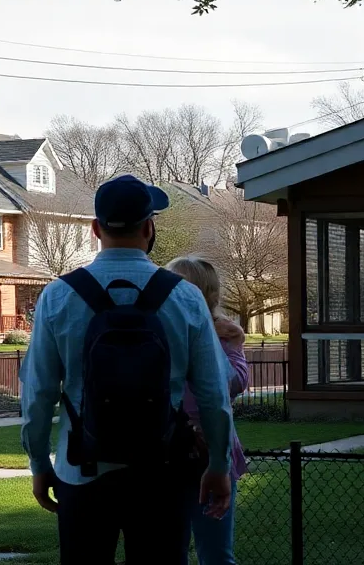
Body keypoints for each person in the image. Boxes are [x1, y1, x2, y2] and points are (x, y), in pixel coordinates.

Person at [20, 174, 234, 565]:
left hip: (80, 470)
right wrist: (218, 464)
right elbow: (213, 393)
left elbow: (38, 394)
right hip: (162, 472)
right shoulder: (185, 297)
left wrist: (38, 464)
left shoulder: (58, 296)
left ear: (95, 228)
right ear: (149, 227)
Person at [167, 256, 250, 565]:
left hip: (201, 452)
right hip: (185, 448)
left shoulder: (220, 332)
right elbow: (233, 383)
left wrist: (237, 343)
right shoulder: (213, 333)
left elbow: (232, 383)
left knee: (213, 554)